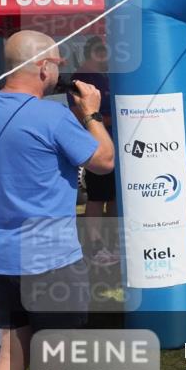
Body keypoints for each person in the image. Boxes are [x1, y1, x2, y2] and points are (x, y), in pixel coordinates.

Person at [0, 31, 114, 370]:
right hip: (52, 261)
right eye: (59, 63)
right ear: (43, 68)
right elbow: (104, 160)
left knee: (10, 353)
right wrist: (93, 113)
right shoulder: (51, 116)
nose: (61, 71)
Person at [66, 36, 118, 268]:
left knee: (114, 196)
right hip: (96, 147)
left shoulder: (102, 77)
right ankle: (95, 246)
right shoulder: (81, 80)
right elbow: (82, 116)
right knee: (97, 197)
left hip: (113, 145)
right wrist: (115, 118)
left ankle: (113, 242)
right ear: (97, 53)